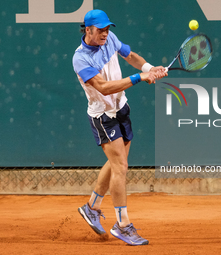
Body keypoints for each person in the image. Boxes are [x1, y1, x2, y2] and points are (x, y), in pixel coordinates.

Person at [73, 9, 167, 246]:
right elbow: (103, 87)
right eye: (100, 30)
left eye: (107, 29)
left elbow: (130, 55)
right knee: (120, 167)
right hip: (103, 115)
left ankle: (92, 206)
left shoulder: (110, 39)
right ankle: (122, 224)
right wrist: (138, 78)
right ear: (88, 30)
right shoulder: (80, 58)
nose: (105, 34)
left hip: (121, 107)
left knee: (118, 161)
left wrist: (150, 68)